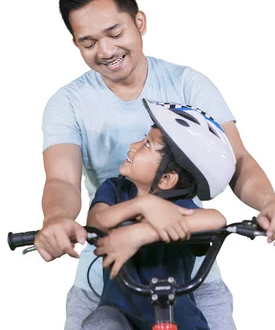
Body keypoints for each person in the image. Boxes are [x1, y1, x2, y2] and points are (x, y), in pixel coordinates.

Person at [34, 0, 275, 330]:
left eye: (115, 33)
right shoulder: (68, 103)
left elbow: (236, 160)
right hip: (105, 280)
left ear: (139, 22)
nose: (106, 51)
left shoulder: (187, 84)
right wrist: (56, 218)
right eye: (89, 42)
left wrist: (270, 203)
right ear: (76, 44)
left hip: (192, 281)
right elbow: (62, 180)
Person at [82, 99, 236, 330]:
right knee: (100, 323)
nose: (133, 146)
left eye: (146, 144)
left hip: (178, 318)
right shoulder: (115, 189)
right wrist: (143, 204)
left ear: (166, 179)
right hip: (119, 319)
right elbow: (97, 220)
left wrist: (140, 234)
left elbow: (216, 220)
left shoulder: (179, 207)